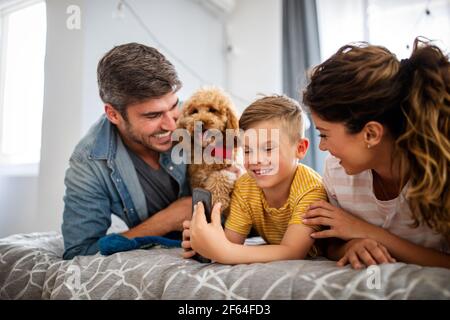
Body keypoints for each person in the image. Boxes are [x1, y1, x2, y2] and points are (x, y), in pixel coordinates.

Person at [301, 38, 450, 269]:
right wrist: (351, 245)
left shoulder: (440, 175)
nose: (321, 147)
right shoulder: (337, 172)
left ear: (370, 134)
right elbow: (331, 243)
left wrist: (368, 232)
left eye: (324, 135)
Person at [62, 43, 192, 260]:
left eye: (173, 106)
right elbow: (79, 255)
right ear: (113, 114)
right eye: (153, 116)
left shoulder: (200, 117)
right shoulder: (89, 162)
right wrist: (167, 220)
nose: (171, 125)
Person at [182, 95, 328, 264]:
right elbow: (230, 242)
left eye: (267, 148)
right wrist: (205, 242)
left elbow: (292, 251)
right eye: (247, 151)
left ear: (300, 149)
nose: (255, 159)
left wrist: (223, 251)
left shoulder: (311, 189)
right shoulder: (245, 186)